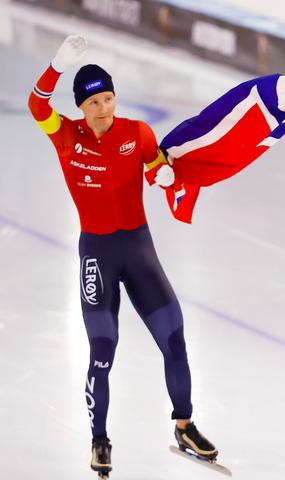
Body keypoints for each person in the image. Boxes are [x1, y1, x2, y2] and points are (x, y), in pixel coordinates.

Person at [27, 35, 218, 476]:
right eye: (94, 102)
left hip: (138, 248)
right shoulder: (66, 136)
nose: (104, 109)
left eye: (109, 98)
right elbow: (37, 106)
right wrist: (56, 65)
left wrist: (164, 175)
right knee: (102, 351)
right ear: (81, 107)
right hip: (97, 251)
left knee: (174, 337)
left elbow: (154, 166)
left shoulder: (137, 132)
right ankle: (99, 439)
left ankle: (184, 426)